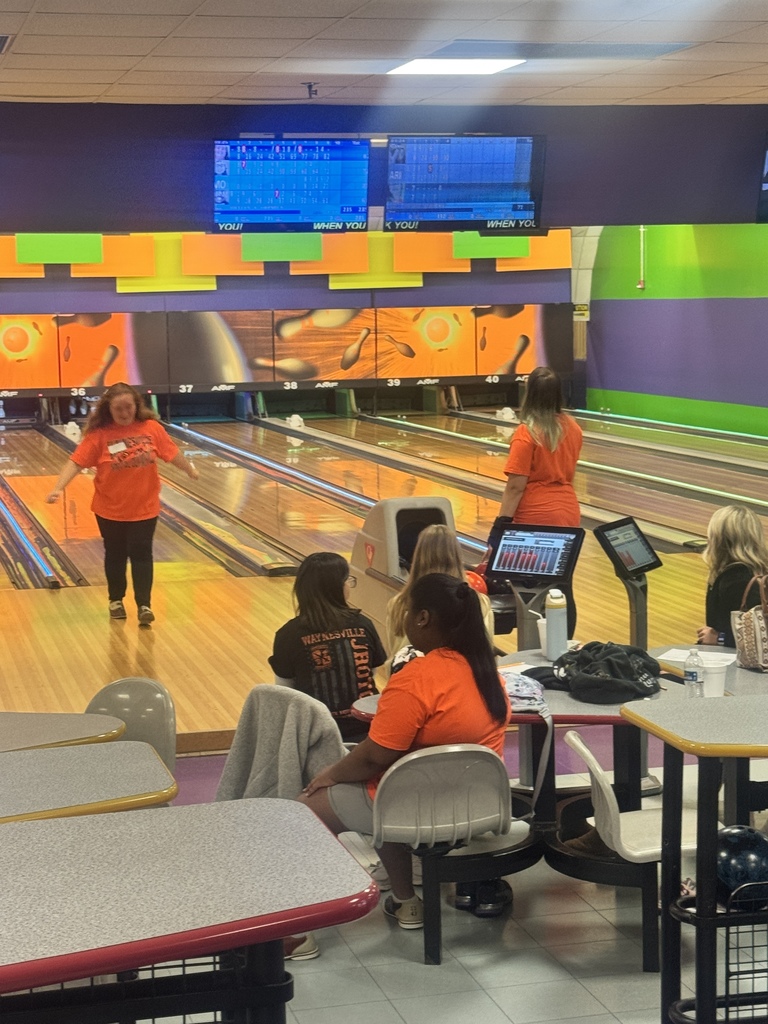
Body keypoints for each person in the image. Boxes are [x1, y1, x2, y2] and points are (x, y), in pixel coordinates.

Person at [299, 573, 511, 931]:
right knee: (386, 786)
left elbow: (373, 757)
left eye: (410, 610)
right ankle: (404, 901)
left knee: (302, 812)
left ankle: (299, 927)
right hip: (478, 805)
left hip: (420, 807)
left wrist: (329, 775)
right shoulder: (488, 671)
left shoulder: (416, 678)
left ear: (423, 618)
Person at [46, 382, 198, 624]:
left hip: (145, 507)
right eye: (119, 409)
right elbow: (76, 462)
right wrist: (58, 487)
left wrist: (189, 468)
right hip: (109, 509)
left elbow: (171, 452)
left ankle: (144, 606)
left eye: (129, 407)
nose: (125, 413)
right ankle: (115, 600)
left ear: (136, 406)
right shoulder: (99, 435)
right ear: (109, 410)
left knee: (141, 552)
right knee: (115, 554)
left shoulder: (151, 428)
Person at [498, 365, 583, 635]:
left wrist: (501, 523)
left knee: (531, 590)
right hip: (568, 514)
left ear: (529, 393)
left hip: (534, 518)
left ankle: (534, 648)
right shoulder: (573, 428)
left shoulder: (526, 434)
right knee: (562, 587)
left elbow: (515, 487)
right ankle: (563, 648)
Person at [269, 551, 386, 742]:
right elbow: (369, 672)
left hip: (315, 736)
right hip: (368, 734)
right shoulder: (364, 625)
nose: (349, 585)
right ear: (336, 587)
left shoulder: (288, 634)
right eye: (347, 580)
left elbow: (286, 692)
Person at [386, 522, 495, 674]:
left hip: (409, 683)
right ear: (457, 557)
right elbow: (485, 652)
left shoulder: (398, 604)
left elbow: (395, 654)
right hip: (461, 684)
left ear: (417, 557)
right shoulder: (479, 602)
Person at [698, 505, 768, 648]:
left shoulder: (737, 579)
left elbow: (759, 638)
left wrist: (720, 638)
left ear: (719, 539)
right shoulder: (758, 569)